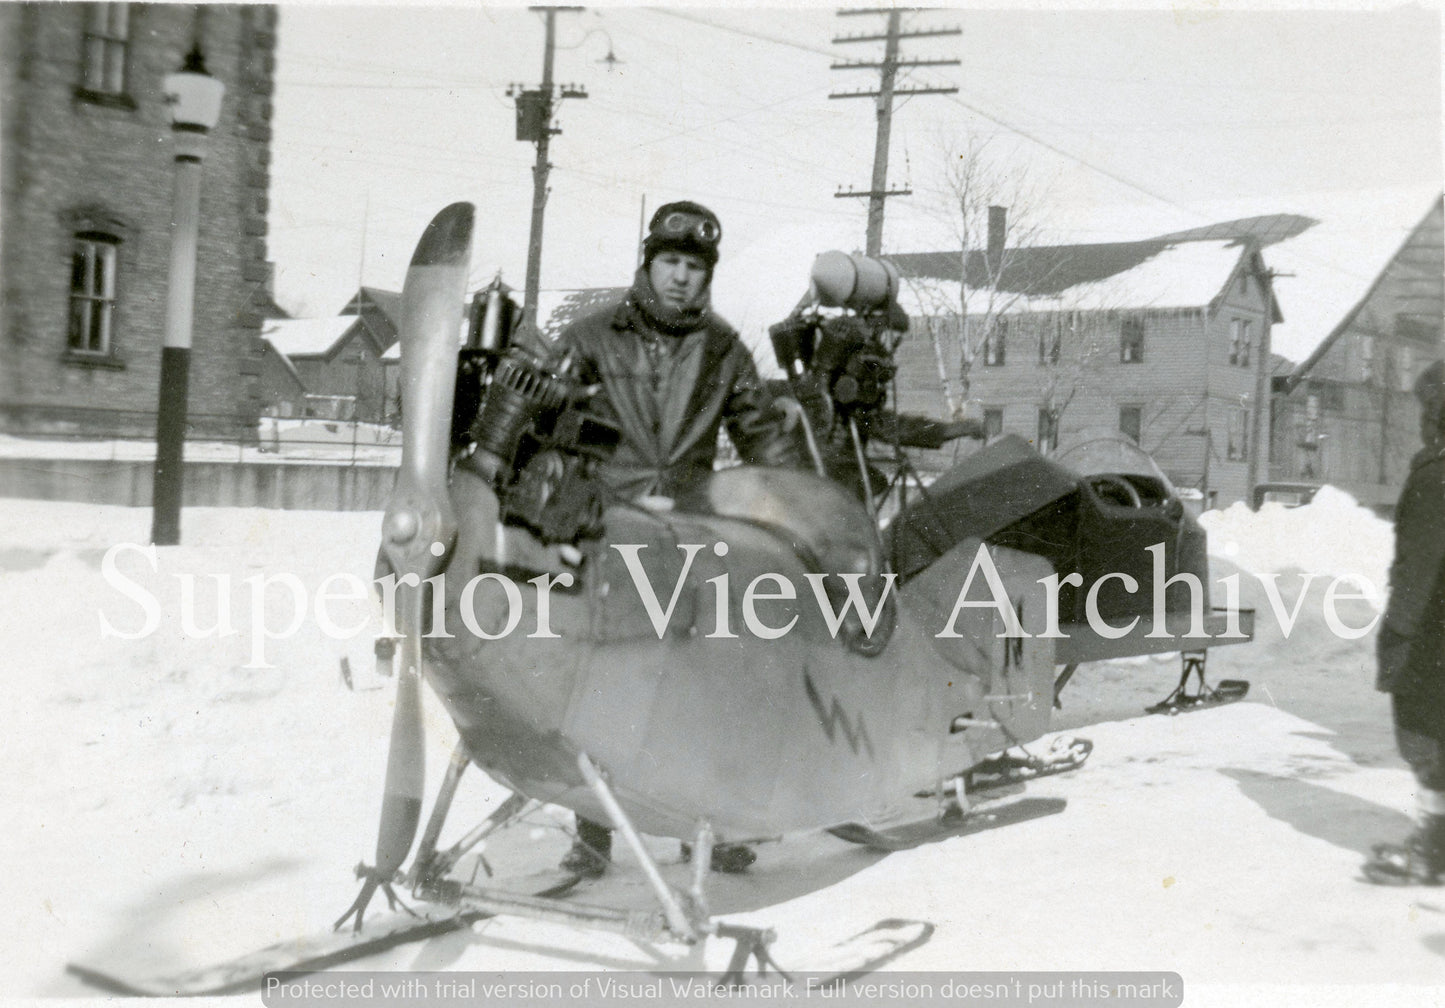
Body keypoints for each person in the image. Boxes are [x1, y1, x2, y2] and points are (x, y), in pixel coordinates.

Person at [552, 200, 804, 878]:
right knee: (602, 679)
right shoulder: (588, 339)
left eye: (694, 266)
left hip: (690, 534)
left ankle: (705, 828)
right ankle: (592, 832)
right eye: (669, 261)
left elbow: (764, 437)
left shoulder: (723, 349)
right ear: (647, 263)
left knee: (705, 683)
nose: (680, 277)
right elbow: (545, 425)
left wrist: (803, 505)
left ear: (707, 275)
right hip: (606, 530)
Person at [1364, 358, 1445, 885]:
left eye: (1427, 407)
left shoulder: (1435, 475)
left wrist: (1397, 635)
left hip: (1429, 636)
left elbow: (1421, 566)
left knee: (1426, 740)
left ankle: (1433, 853)